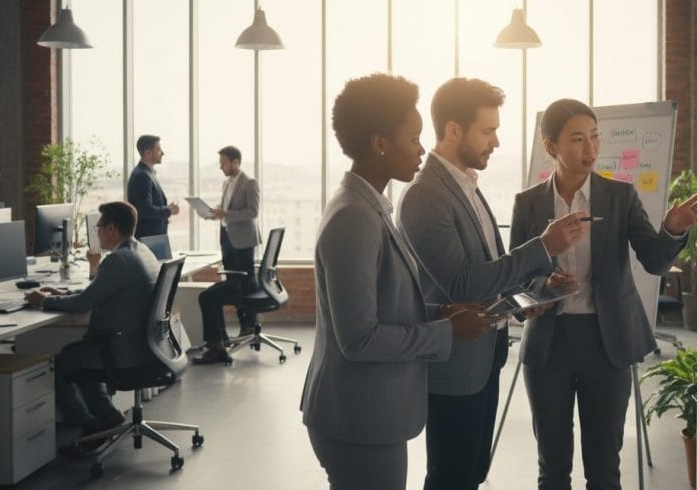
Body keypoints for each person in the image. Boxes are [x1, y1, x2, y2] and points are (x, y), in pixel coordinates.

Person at [300, 73, 498, 490]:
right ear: (380, 143)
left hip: (369, 414)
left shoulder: (370, 207)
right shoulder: (354, 217)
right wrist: (444, 331)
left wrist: (441, 311)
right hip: (359, 418)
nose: (422, 149)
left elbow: (382, 303)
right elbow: (359, 338)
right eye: (413, 138)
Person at [510, 99, 697, 490]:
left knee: (604, 469)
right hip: (548, 345)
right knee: (552, 468)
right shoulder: (527, 203)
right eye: (578, 140)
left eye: (595, 137)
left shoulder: (619, 197)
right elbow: (516, 279)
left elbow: (653, 261)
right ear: (552, 147)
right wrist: (545, 287)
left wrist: (671, 229)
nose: (591, 149)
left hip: (607, 343)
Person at [397, 77, 587, 490]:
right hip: (455, 366)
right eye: (488, 130)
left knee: (472, 473)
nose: (496, 141)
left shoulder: (466, 185)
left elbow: (488, 268)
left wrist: (532, 290)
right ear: (452, 130)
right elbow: (461, 283)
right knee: (451, 477)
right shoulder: (424, 195)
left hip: (483, 357)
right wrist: (544, 245)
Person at [24, 201, 161, 449]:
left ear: (111, 229)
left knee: (61, 364)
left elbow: (81, 305)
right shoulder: (141, 251)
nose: (96, 232)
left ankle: (89, 427)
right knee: (78, 354)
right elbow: (99, 293)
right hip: (143, 345)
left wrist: (44, 300)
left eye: (98, 227)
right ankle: (107, 416)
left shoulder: (117, 260)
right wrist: (60, 294)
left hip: (122, 351)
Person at [192, 145, 261, 365]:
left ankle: (249, 324)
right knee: (231, 283)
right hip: (227, 238)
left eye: (224, 163)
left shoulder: (249, 183)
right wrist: (212, 213)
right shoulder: (225, 183)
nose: (221, 167)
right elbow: (224, 207)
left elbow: (253, 211)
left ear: (235, 162)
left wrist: (226, 214)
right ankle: (229, 335)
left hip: (243, 240)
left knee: (243, 283)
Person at [126, 134, 179, 238]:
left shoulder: (147, 173)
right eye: (158, 150)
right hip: (148, 238)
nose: (162, 153)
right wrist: (169, 210)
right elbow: (145, 210)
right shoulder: (142, 175)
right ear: (148, 153)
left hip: (152, 237)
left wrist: (166, 208)